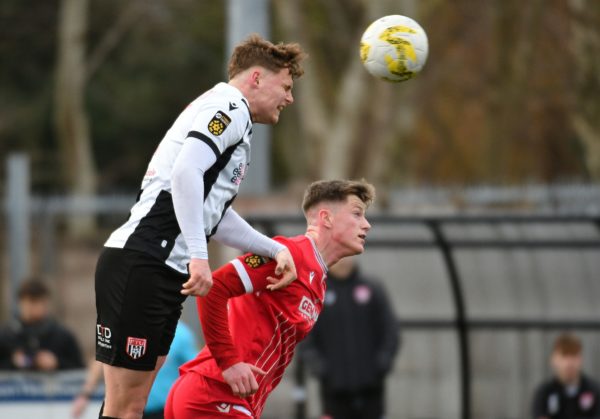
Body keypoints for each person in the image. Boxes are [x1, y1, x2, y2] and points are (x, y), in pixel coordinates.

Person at [94, 34, 306, 418]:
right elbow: (185, 173)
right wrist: (198, 255)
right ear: (257, 78)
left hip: (158, 268)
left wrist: (274, 249)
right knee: (126, 407)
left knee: (130, 406)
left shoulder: (233, 115)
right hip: (144, 262)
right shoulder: (229, 106)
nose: (289, 98)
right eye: (286, 86)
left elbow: (214, 214)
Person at [165, 179, 375, 418]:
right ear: (326, 218)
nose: (366, 224)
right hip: (214, 394)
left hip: (229, 397)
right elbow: (214, 288)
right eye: (357, 214)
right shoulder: (290, 253)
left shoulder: (318, 279)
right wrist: (229, 363)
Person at [300, 256, 399, 419]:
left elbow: (390, 330)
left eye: (348, 255)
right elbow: (306, 337)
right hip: (334, 392)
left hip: (372, 389)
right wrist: (321, 369)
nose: (344, 261)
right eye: (340, 255)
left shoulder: (372, 288)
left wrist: (382, 363)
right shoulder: (318, 293)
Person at [72, 322, 198, 419]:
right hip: (125, 409)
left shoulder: (181, 334)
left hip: (162, 410)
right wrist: (85, 394)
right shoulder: (124, 327)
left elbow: (194, 369)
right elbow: (101, 359)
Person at [0, 278, 84, 371]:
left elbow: (80, 370)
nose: (37, 308)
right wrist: (13, 362)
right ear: (20, 303)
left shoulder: (62, 337)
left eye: (41, 302)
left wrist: (56, 362)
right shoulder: (6, 336)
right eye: (32, 302)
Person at [532, 333, 600, 419]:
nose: (569, 363)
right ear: (553, 359)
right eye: (564, 356)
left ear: (581, 359)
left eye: (574, 356)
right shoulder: (545, 393)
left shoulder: (595, 390)